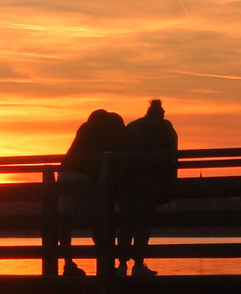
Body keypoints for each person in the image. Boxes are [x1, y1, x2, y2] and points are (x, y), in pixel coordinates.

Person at [56, 109, 124, 276]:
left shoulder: (85, 129)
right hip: (86, 178)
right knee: (97, 221)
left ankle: (67, 263)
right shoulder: (108, 132)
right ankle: (104, 264)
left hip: (65, 174)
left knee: (65, 221)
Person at [116, 99, 179, 277]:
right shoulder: (165, 127)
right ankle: (138, 263)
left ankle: (121, 265)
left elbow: (120, 151)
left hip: (127, 181)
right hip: (150, 181)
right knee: (143, 222)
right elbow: (172, 155)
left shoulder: (133, 126)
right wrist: (169, 187)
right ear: (161, 113)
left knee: (126, 222)